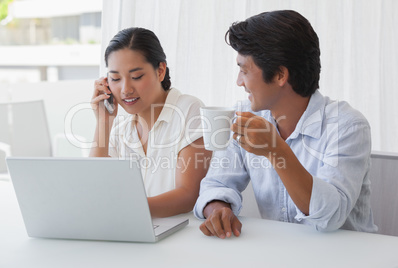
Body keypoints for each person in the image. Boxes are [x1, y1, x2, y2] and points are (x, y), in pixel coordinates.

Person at [194, 10, 377, 238]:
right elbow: (217, 183)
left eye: (244, 70)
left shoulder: (348, 126)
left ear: (280, 75)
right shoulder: (243, 115)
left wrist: (276, 150)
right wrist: (218, 210)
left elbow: (331, 217)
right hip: (281, 252)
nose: (239, 81)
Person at [90, 27, 212, 218]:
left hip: (183, 236)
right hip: (136, 231)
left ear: (160, 71)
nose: (125, 89)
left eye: (136, 77)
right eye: (115, 78)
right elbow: (95, 187)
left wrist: (125, 209)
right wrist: (103, 122)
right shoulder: (120, 129)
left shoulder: (189, 109)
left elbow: (188, 194)